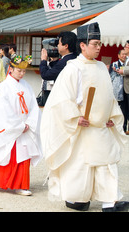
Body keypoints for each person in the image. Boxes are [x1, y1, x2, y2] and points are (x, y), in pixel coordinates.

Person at [41, 23, 129, 212]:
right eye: (95, 44)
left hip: (101, 126)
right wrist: (74, 117)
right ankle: (78, 199)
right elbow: (61, 98)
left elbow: (109, 95)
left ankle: (109, 201)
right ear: (83, 45)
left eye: (100, 44)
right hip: (83, 125)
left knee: (105, 162)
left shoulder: (100, 67)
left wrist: (112, 115)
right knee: (80, 166)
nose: (99, 47)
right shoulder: (73, 68)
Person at [0, 55, 42, 196]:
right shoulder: (4, 86)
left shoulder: (27, 86)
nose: (22, 73)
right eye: (19, 70)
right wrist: (18, 125)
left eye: (24, 71)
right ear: (10, 69)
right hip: (12, 127)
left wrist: (29, 123)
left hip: (25, 125)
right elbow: (2, 110)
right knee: (8, 154)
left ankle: (21, 185)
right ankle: (4, 182)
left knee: (23, 155)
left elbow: (34, 107)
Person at [39, 31, 77, 105]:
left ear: (66, 46)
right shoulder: (74, 57)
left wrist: (43, 60)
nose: (57, 46)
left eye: (59, 43)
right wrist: (55, 61)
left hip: (65, 99)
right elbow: (57, 69)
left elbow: (45, 75)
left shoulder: (65, 62)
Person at [110, 49, 127, 133]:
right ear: (118, 55)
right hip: (117, 91)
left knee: (125, 110)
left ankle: (124, 128)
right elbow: (111, 77)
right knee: (117, 109)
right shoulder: (114, 64)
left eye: (126, 54)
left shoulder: (127, 64)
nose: (124, 56)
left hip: (126, 90)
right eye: (123, 54)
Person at [116, 40, 129, 135]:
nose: (125, 47)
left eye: (127, 46)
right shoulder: (127, 59)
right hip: (124, 88)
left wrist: (122, 71)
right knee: (124, 109)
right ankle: (124, 128)